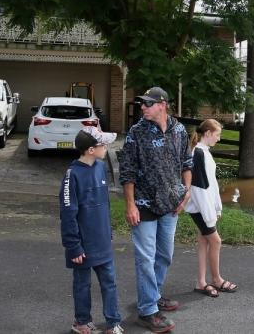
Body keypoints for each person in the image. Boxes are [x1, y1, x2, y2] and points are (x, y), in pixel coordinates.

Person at [119, 86, 192, 333]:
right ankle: (148, 311)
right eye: (142, 103)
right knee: (145, 258)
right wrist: (130, 203)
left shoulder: (179, 130)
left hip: (171, 204)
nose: (142, 107)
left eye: (147, 103)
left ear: (162, 105)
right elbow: (127, 170)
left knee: (165, 255)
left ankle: (154, 294)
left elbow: (187, 162)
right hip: (144, 204)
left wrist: (187, 191)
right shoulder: (136, 132)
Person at [60, 126, 124, 334]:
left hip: (102, 241)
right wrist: (74, 246)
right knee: (82, 285)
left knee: (110, 283)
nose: (106, 147)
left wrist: (108, 232)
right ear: (90, 150)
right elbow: (68, 213)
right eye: (102, 144)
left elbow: (103, 203)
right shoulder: (72, 175)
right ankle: (82, 322)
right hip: (83, 246)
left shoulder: (100, 167)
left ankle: (113, 323)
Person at [186, 119, 238, 297]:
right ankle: (217, 279)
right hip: (200, 208)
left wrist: (217, 208)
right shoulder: (198, 153)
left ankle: (201, 283)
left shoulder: (204, 152)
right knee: (216, 241)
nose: (219, 139)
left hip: (205, 208)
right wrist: (210, 215)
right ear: (207, 133)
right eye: (218, 135)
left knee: (203, 241)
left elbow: (212, 184)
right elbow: (199, 188)